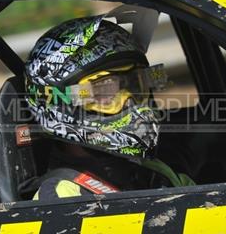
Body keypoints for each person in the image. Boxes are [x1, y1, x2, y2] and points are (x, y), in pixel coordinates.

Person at [23, 11, 194, 201]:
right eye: (104, 92)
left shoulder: (157, 171)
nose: (129, 101)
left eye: (137, 85)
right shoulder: (62, 196)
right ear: (58, 103)